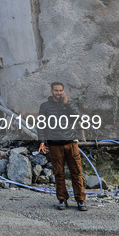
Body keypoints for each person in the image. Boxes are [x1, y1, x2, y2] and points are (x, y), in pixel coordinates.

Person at [38, 82, 87, 211]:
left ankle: (80, 200)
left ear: (63, 92)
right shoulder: (45, 106)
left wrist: (68, 103)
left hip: (71, 143)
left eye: (60, 91)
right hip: (54, 145)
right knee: (59, 173)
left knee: (76, 172)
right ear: (51, 91)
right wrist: (42, 142)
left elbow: (79, 117)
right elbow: (41, 126)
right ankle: (62, 199)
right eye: (56, 91)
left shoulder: (68, 105)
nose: (58, 93)